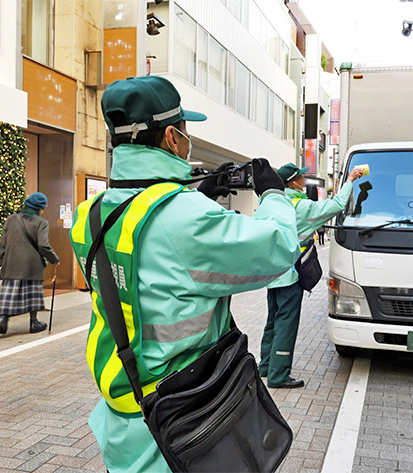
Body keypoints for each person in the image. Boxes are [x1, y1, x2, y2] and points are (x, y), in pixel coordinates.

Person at [69, 75, 299, 473]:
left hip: (126, 413)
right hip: (185, 418)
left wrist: (192, 195)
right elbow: (278, 248)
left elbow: (153, 261)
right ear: (173, 138)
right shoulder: (185, 219)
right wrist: (274, 193)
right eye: (186, 132)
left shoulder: (90, 214)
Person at [259, 163, 364, 389]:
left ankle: (266, 366)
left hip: (271, 274)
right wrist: (349, 181)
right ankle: (279, 375)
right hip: (290, 274)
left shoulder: (269, 204)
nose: (305, 181)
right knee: (286, 323)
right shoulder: (300, 206)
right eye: (302, 177)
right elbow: (335, 205)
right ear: (292, 183)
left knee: (272, 320)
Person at [0, 192, 60, 334]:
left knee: (9, 291)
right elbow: (43, 245)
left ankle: (3, 319)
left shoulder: (11, 220)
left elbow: (2, 243)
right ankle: (34, 322)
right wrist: (54, 259)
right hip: (32, 264)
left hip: (11, 262)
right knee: (32, 292)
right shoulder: (41, 222)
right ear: (40, 208)